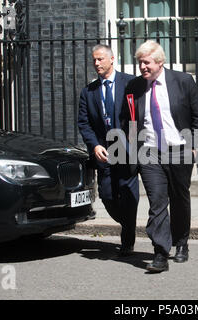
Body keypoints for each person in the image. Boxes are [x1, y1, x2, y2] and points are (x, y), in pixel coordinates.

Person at [121, 40, 198, 272]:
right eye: (140, 63)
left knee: (179, 199)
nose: (142, 67)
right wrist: (133, 146)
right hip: (149, 152)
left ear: (159, 62)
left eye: (146, 63)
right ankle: (160, 252)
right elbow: (128, 120)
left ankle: (181, 243)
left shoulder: (183, 81)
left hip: (179, 149)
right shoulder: (134, 87)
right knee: (157, 202)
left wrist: (195, 148)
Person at [78, 44, 139, 256]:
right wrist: (94, 145)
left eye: (100, 59)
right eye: (94, 60)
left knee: (128, 192)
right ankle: (128, 224)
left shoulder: (130, 83)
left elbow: (138, 115)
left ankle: (127, 239)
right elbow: (84, 123)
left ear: (112, 59)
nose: (96, 64)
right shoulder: (89, 91)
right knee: (107, 195)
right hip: (103, 150)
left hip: (127, 147)